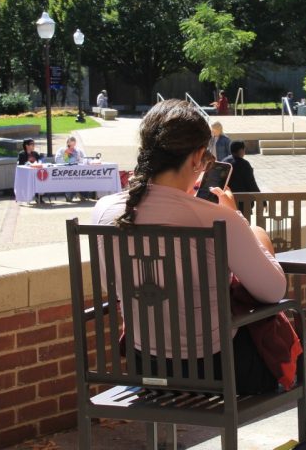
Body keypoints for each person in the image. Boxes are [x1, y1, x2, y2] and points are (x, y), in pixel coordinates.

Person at [91, 99, 288, 394]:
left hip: (144, 365)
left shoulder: (104, 210)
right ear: (198, 157)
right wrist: (241, 221)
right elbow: (274, 291)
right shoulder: (218, 219)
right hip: (218, 370)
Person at [55, 136, 87, 202]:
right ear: (67, 143)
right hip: (65, 172)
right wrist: (67, 160)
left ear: (75, 144)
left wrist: (79, 159)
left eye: (73, 145)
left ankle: (81, 193)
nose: (71, 146)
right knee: (69, 180)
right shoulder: (62, 150)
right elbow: (57, 160)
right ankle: (69, 195)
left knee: (82, 179)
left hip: (78, 172)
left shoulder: (78, 151)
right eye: (70, 145)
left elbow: (85, 159)